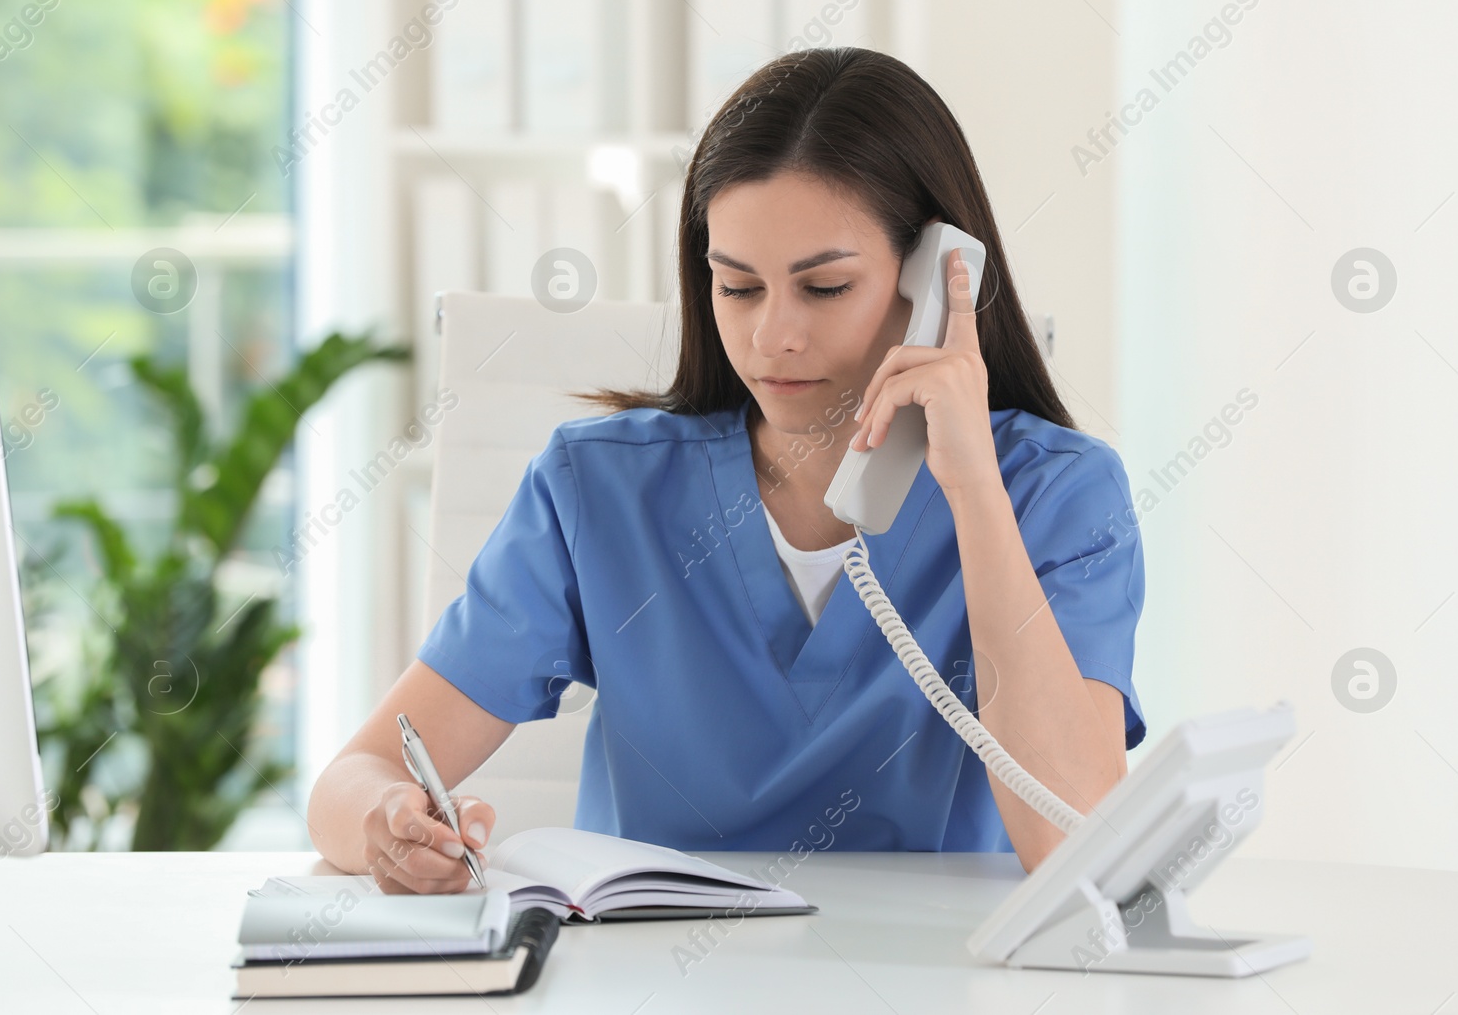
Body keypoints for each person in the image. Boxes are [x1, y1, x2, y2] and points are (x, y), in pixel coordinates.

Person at [306, 46, 1146, 894]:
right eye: (738, 287)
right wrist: (387, 823)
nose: (770, 337)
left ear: (935, 280)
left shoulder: (1057, 495)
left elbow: (1076, 843)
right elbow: (359, 773)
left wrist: (971, 488)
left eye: (824, 288)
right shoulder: (599, 490)